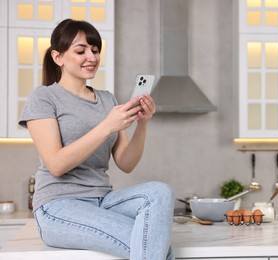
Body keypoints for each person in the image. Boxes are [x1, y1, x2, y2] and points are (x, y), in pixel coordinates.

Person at [18, 19, 175, 259]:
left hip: (105, 200)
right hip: (59, 205)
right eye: (81, 51)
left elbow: (126, 163)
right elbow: (56, 164)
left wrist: (142, 124)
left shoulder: (106, 99)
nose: (91, 57)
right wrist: (106, 126)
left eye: (95, 50)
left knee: (160, 192)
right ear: (57, 57)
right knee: (152, 244)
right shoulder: (44, 97)